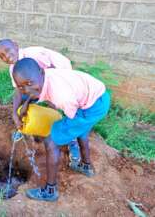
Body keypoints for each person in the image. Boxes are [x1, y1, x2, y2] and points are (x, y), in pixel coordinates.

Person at [12, 58, 110, 202]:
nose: (27, 90)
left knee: (52, 140)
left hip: (91, 106)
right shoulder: (46, 77)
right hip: (98, 97)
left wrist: (57, 132)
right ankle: (86, 166)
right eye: (21, 87)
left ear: (40, 72)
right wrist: (26, 103)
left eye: (29, 84)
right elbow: (36, 92)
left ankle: (50, 191)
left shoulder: (62, 96)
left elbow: (68, 115)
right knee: (80, 131)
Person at [0, 39, 80, 164]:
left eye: (7, 51)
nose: (6, 56)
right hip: (40, 82)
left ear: (16, 46)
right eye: (2, 56)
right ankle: (25, 127)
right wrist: (15, 113)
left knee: (61, 107)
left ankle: (73, 142)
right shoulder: (13, 68)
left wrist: (45, 99)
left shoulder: (34, 55)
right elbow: (18, 91)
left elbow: (52, 76)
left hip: (60, 74)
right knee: (23, 100)